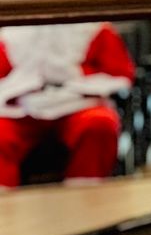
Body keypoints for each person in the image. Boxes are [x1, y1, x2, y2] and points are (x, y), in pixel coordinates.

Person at [0, 23, 133, 187]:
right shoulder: (10, 33)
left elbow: (119, 74)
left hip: (79, 102)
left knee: (99, 124)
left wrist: (80, 85)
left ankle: (85, 194)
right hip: (22, 107)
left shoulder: (96, 29)